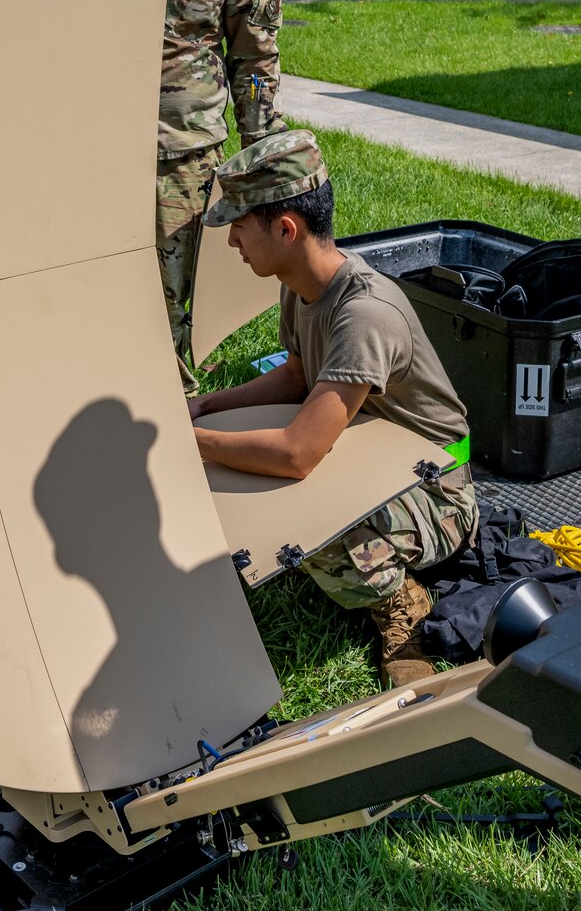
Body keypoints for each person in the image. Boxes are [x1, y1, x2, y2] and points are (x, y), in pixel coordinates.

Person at [185, 131, 474, 687]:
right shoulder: (301, 285)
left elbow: (297, 455)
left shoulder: (364, 313)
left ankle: (401, 608)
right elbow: (297, 375)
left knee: (307, 527)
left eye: (239, 226)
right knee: (239, 460)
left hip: (438, 488)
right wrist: (205, 408)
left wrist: (192, 440)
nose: (232, 243)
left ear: (286, 229)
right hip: (367, 451)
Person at [116, 0, 284, 390]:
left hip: (185, 152)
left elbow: (255, 53)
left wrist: (264, 157)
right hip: (95, 144)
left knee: (168, 307)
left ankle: (173, 419)